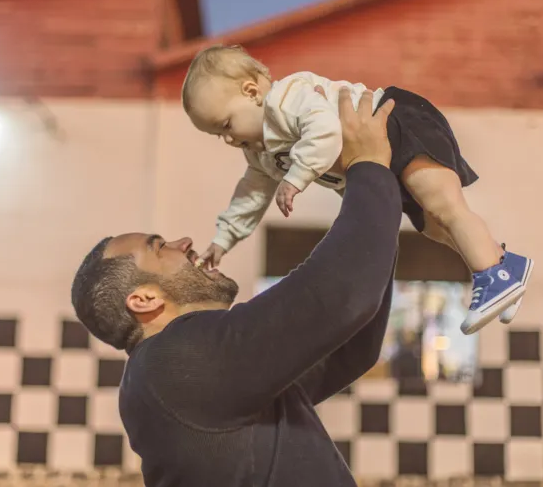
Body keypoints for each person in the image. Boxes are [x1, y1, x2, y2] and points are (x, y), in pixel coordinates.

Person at [71, 88, 398, 486]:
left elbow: (350, 346)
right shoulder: (172, 361)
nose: (184, 243)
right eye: (160, 248)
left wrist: (375, 197)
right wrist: (368, 170)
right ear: (144, 299)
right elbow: (337, 296)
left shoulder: (197, 375)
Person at [183, 44, 533, 334]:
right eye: (218, 135)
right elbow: (250, 195)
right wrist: (222, 240)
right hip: (379, 159)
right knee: (433, 227)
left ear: (252, 91)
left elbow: (324, 130)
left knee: (445, 206)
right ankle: (505, 264)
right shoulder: (260, 153)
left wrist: (296, 177)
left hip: (395, 121)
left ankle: (494, 276)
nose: (228, 139)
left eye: (227, 124)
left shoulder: (287, 98)